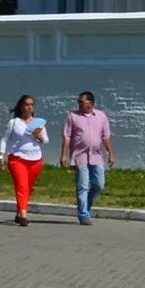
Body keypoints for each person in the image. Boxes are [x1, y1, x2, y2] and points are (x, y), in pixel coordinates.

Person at [61, 89, 113, 226]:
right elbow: (67, 136)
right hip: (80, 156)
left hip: (96, 156)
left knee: (99, 185)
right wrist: (64, 155)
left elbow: (105, 136)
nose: (79, 104)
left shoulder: (101, 116)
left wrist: (111, 153)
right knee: (82, 186)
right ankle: (83, 214)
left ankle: (87, 205)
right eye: (78, 102)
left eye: (81, 102)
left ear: (90, 103)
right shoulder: (73, 116)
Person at [1, 93, 47, 226]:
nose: (29, 107)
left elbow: (46, 140)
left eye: (31, 105)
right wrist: (1, 155)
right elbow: (5, 139)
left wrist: (40, 137)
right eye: (27, 104)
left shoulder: (39, 122)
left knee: (28, 187)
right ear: (21, 107)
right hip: (17, 158)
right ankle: (23, 214)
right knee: (22, 186)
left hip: (35, 159)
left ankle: (19, 211)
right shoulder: (14, 123)